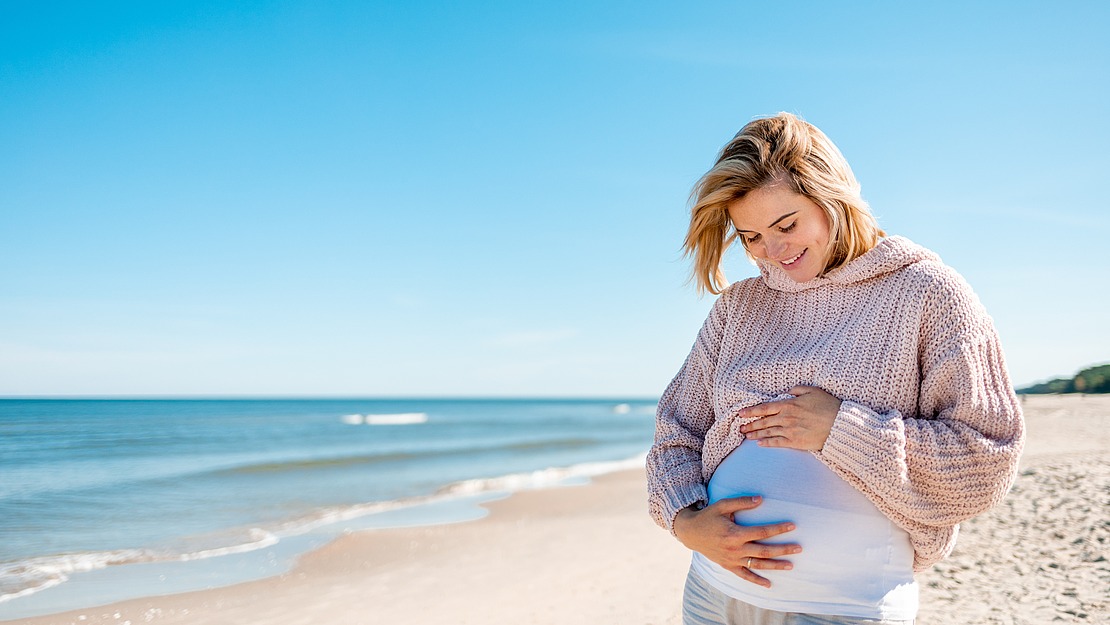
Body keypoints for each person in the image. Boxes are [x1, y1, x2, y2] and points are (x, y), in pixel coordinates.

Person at [646, 112, 1025, 625]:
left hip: (848, 607)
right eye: (751, 237)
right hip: (716, 597)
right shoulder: (738, 309)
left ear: (833, 197)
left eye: (787, 225)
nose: (772, 253)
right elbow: (677, 429)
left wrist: (839, 429)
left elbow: (988, 459)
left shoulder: (928, 293)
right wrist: (686, 521)